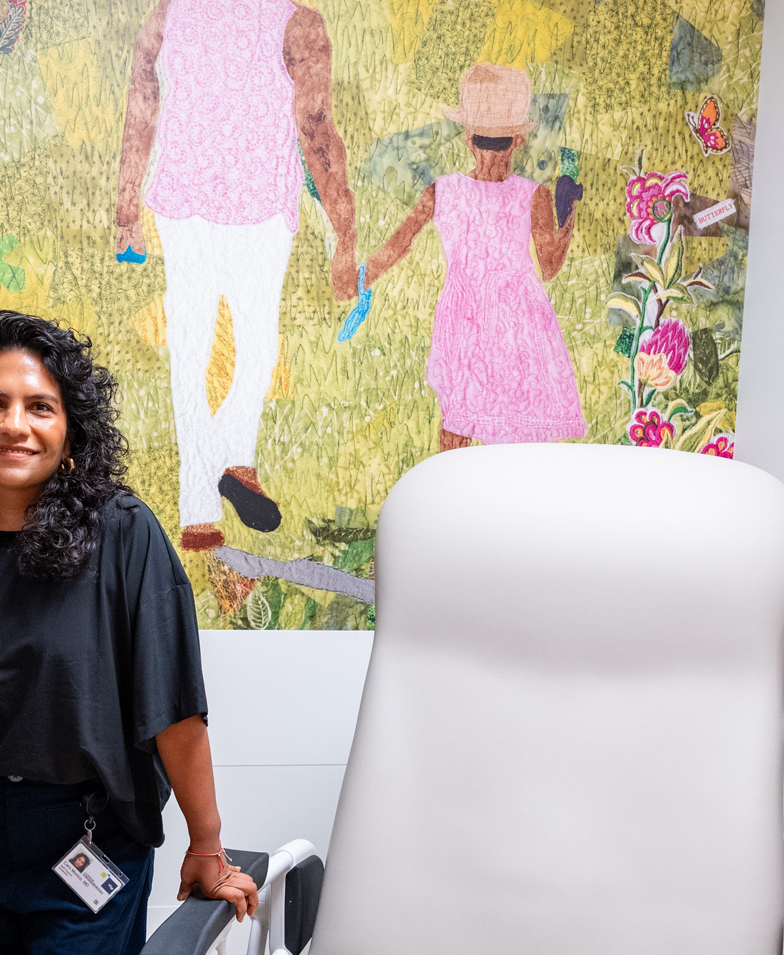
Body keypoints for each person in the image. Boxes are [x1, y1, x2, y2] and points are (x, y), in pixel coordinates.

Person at [0, 310, 259, 955]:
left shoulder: (124, 534)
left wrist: (207, 843)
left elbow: (174, 708)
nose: (15, 426)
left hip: (85, 838)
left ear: (72, 427)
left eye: (41, 407)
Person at [115, 0, 360, 547]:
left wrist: (128, 205)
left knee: (199, 348)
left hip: (197, 205)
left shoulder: (172, 14)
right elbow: (316, 126)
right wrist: (344, 225)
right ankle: (224, 471)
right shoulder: (297, 21)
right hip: (250, 209)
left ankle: (210, 490)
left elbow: (142, 102)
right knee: (252, 347)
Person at [361, 63, 587, 452]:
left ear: (468, 138)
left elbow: (399, 243)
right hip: (520, 318)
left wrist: (362, 278)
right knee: (519, 424)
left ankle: (452, 502)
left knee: (458, 419)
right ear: (518, 139)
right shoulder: (535, 195)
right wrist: (568, 216)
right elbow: (549, 268)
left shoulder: (443, 190)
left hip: (464, 315)